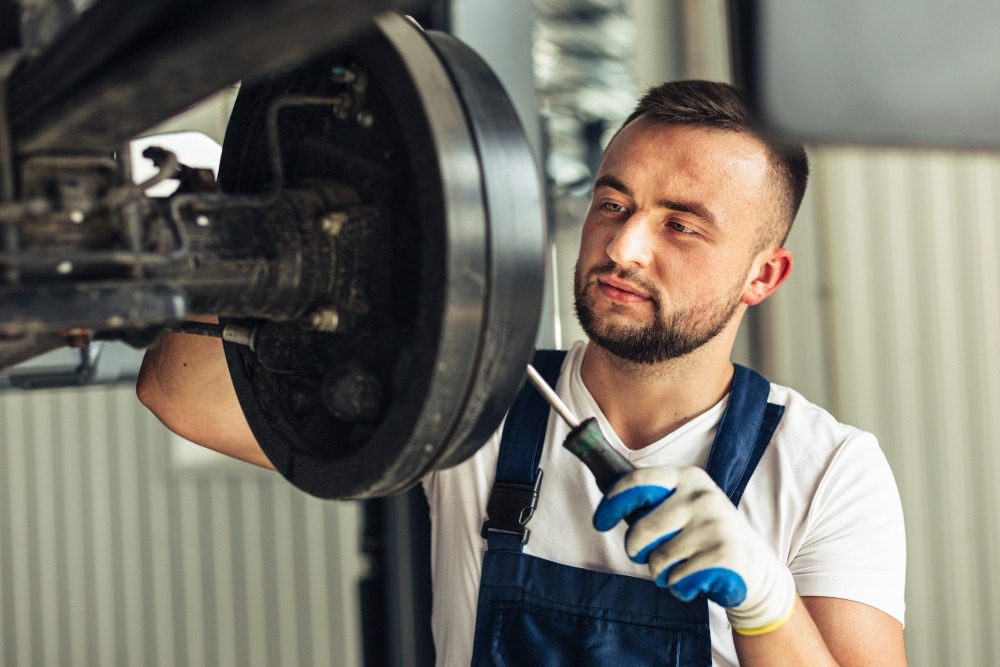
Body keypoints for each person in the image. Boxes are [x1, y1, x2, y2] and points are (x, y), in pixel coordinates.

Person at [138, 80, 906, 666]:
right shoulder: (477, 394)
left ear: (763, 275)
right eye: (613, 203)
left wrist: (767, 606)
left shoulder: (827, 468)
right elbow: (183, 395)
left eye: (680, 224)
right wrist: (238, 250)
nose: (624, 246)